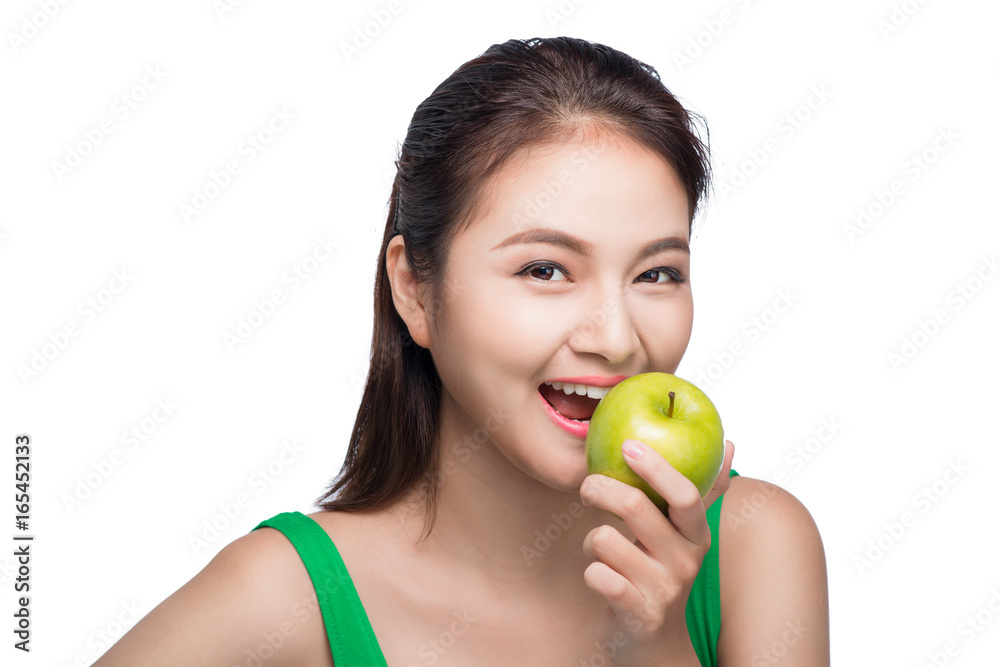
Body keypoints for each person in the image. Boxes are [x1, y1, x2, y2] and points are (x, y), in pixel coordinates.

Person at [94, 36, 829, 666]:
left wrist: (659, 646)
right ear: (415, 288)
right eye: (545, 269)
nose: (615, 337)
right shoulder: (287, 595)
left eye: (656, 273)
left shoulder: (755, 549)